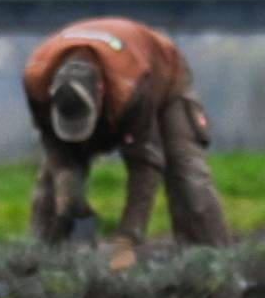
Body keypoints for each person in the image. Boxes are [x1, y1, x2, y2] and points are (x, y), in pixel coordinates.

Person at [21, 18, 230, 269]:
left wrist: (127, 241)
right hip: (113, 86)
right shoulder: (36, 80)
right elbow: (51, 140)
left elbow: (145, 167)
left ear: (100, 93)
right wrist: (66, 179)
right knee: (53, 187)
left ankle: (211, 265)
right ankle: (41, 265)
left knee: (186, 173)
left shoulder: (130, 86)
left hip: (162, 78)